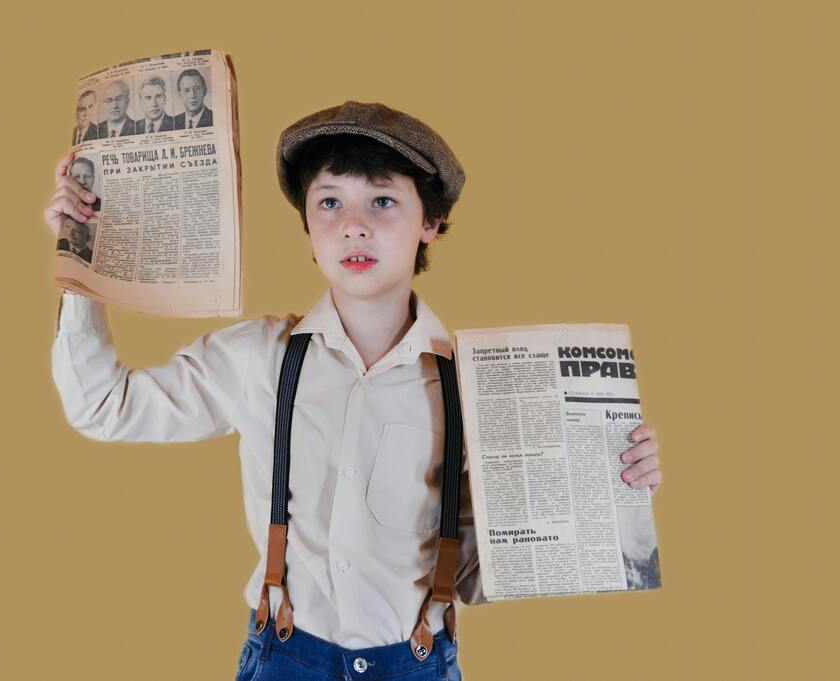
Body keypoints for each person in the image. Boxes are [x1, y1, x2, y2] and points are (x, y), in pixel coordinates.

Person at [43, 101, 663, 680]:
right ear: (308, 228)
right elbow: (103, 406)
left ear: (431, 222)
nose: (354, 227)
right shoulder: (260, 357)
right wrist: (80, 255)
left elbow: (476, 574)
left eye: (384, 202)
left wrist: (607, 490)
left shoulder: (477, 384)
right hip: (285, 656)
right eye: (330, 203)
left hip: (416, 660)